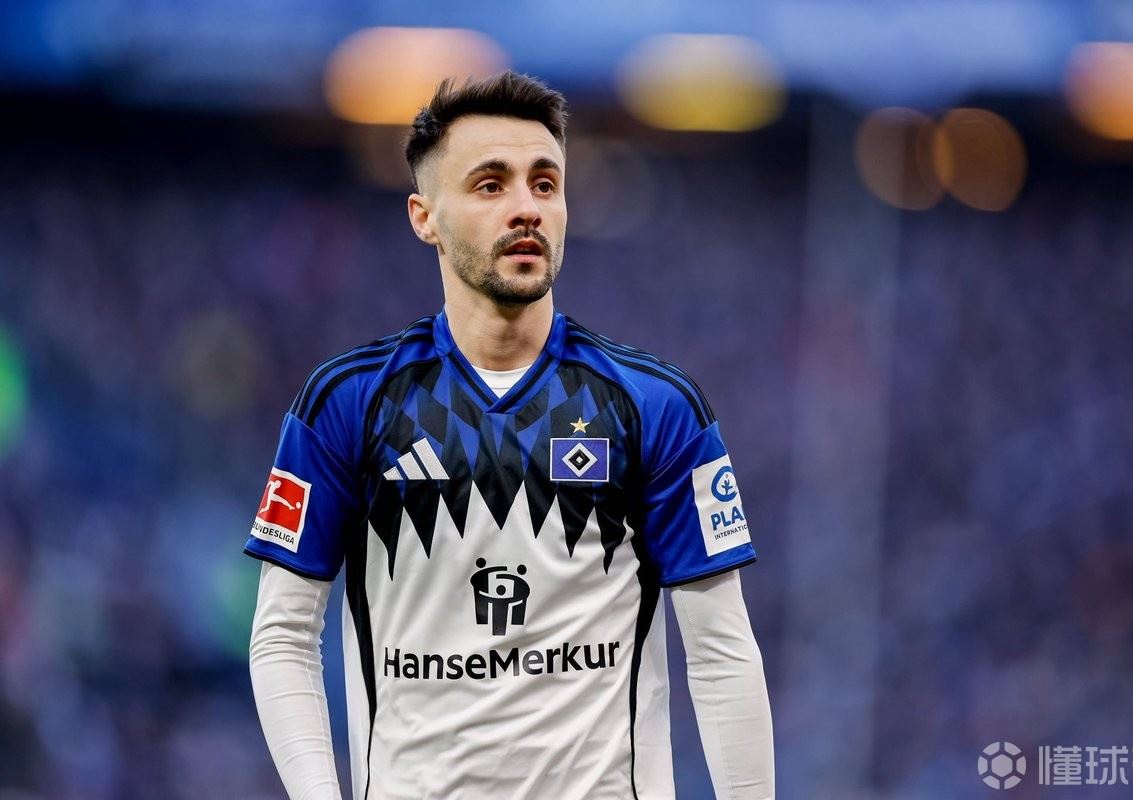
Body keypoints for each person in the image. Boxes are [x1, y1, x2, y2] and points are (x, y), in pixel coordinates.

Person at [246, 70, 775, 800]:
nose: (526, 206)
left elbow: (720, 652)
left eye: (545, 183)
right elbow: (282, 635)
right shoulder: (347, 403)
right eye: (490, 185)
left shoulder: (656, 405)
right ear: (424, 217)